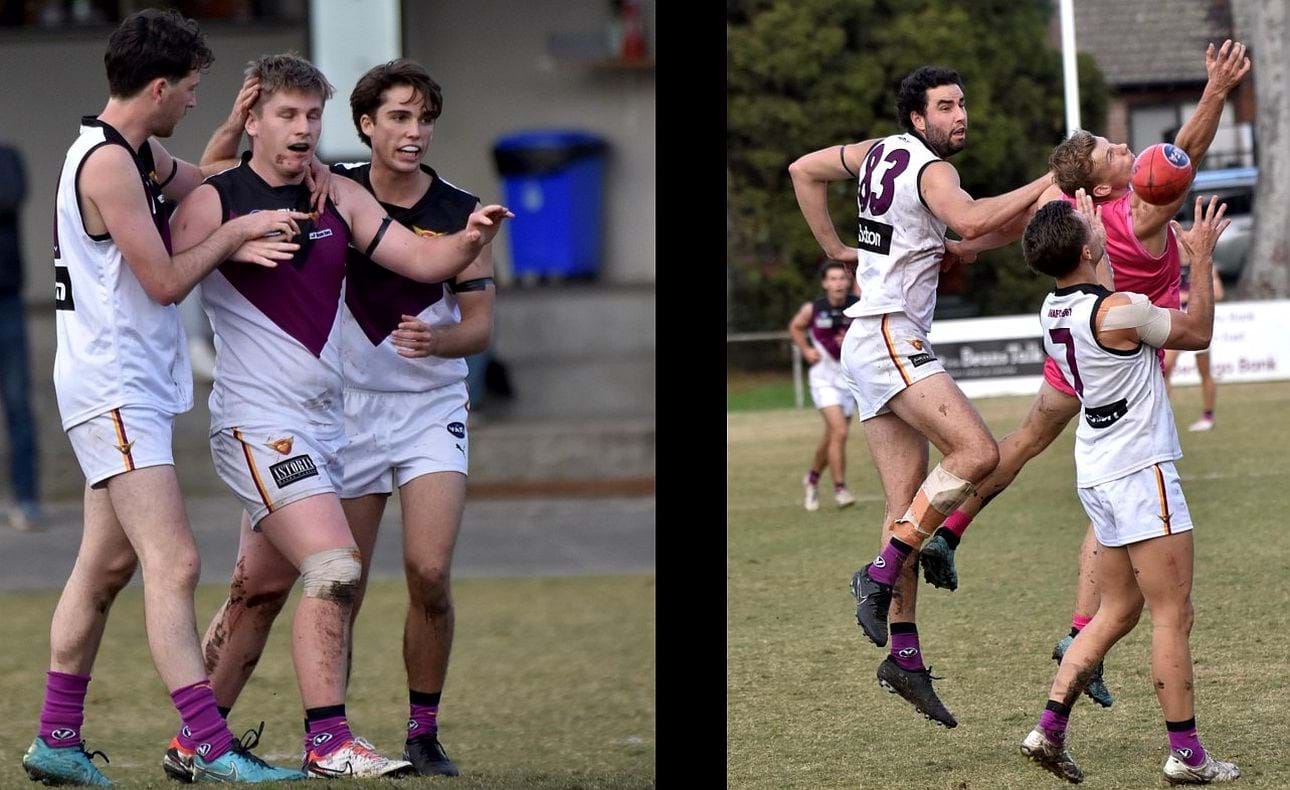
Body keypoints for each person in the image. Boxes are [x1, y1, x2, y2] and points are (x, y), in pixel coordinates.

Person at [166, 53, 509, 780]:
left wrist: (472, 239)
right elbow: (161, 280)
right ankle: (328, 741)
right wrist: (232, 237)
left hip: (327, 423)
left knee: (258, 591)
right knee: (334, 567)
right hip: (258, 423)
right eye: (286, 114)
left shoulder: (336, 198)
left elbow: (422, 263)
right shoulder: (214, 197)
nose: (302, 128)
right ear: (252, 117)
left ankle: (192, 742)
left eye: (310, 115)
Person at [23, 9, 314, 786]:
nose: (191, 101)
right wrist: (234, 235)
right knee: (175, 562)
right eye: (190, 89)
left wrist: (241, 132)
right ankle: (211, 747)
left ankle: (56, 739)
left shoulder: (135, 151)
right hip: (114, 387)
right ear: (157, 86)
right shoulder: (109, 165)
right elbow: (163, 279)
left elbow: (211, 181)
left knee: (105, 566)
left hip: (126, 388)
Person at [916, 40, 1250, 709]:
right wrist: (1214, 91)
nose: (1126, 150)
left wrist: (965, 244)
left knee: (1031, 446)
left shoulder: (1080, 219)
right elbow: (1184, 150)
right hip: (1123, 364)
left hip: (1078, 349)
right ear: (1100, 184)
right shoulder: (1139, 209)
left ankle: (949, 530)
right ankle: (1077, 637)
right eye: (1110, 150)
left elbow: (1017, 230)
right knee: (1117, 509)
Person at [789, 65, 1055, 726]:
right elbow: (969, 214)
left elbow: (804, 170)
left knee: (906, 504)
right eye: (945, 106)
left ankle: (902, 657)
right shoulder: (934, 171)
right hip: (888, 337)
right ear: (918, 117)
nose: (959, 115)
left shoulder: (878, 153)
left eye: (963, 103)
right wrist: (1050, 180)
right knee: (978, 453)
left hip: (869, 338)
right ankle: (880, 573)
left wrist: (835, 250)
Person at [1019, 192, 1239, 785]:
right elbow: (1196, 333)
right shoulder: (1121, 311)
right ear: (1089, 249)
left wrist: (1081, 226)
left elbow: (1096, 281)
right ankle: (1187, 754)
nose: (1100, 219)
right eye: (1093, 222)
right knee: (1174, 613)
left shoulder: (1055, 308)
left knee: (1115, 611)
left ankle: (1049, 727)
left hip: (1097, 469)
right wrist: (1198, 257)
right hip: (1142, 471)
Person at [788, 260, 859, 511]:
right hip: (824, 381)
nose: (838, 283)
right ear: (825, 283)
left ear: (848, 281)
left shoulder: (857, 306)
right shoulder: (814, 309)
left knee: (832, 437)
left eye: (842, 278)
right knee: (839, 432)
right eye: (833, 279)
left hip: (849, 381)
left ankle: (812, 478)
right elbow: (795, 327)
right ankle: (840, 489)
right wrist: (806, 349)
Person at [0, 142, 40, 531]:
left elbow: (9, 196)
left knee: (17, 404)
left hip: (7, 302)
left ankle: (27, 499)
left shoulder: (7, 158)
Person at [1163, 252, 1224, 431]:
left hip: (1198, 322)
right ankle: (1165, 415)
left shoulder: (1204, 265)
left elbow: (1218, 293)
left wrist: (1188, 296)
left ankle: (1208, 416)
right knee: (1164, 368)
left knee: (1204, 371)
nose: (1181, 247)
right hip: (1177, 321)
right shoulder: (1169, 264)